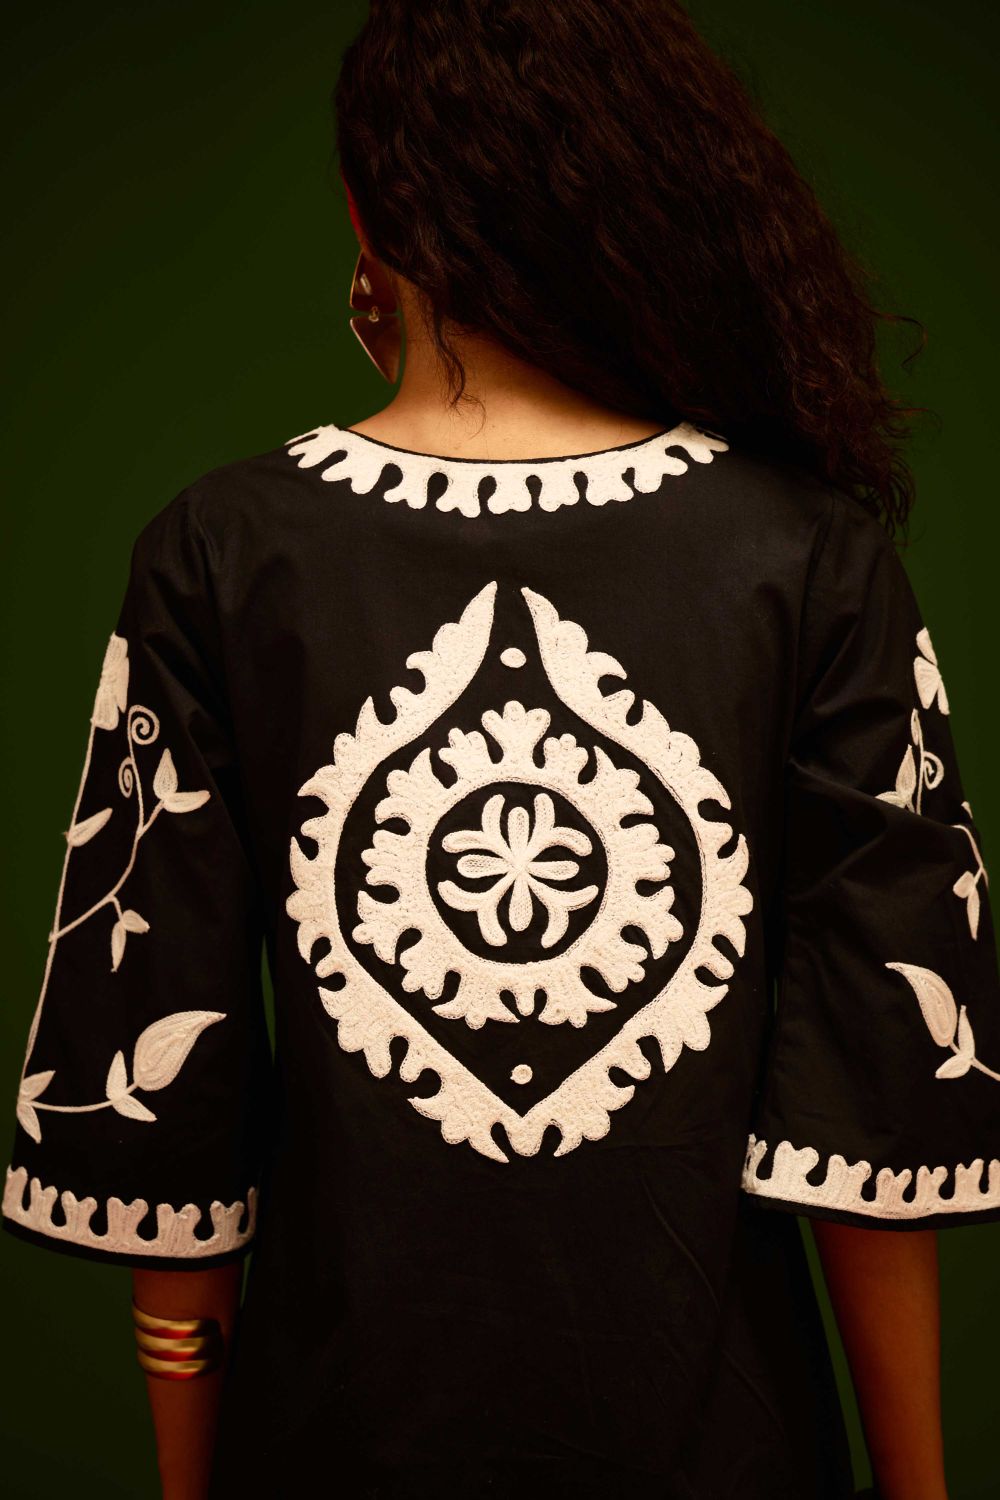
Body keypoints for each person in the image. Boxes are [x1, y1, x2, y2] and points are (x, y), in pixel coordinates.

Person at [3, 2, 998, 1496]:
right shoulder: (809, 557)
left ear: (367, 213)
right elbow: (881, 1117)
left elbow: (169, 1103)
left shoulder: (219, 552)